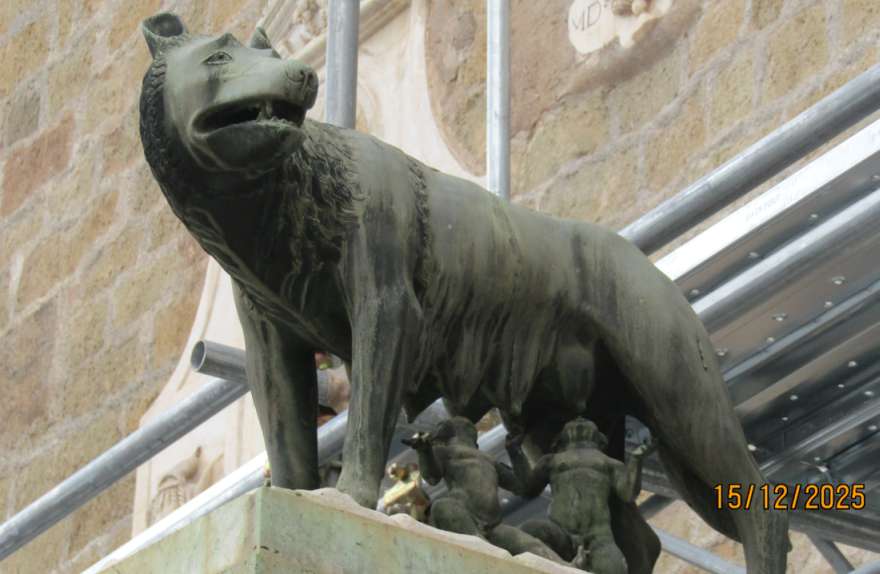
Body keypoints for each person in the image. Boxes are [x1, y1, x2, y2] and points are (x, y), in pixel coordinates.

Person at [403, 417, 563, 563]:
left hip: (493, 526)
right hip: (463, 513)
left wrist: (515, 452)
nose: (471, 429)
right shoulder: (445, 452)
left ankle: (568, 566)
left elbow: (523, 488)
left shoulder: (490, 460)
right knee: (441, 507)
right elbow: (432, 476)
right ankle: (486, 555)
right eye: (465, 427)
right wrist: (425, 451)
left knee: (530, 544)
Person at [506, 418, 655, 574]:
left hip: (598, 538)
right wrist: (515, 453)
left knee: (615, 568)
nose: (580, 422)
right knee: (530, 530)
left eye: (585, 426)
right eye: (574, 426)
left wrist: (636, 460)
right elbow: (528, 489)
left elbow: (628, 493)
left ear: (599, 438)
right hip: (560, 532)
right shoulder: (551, 461)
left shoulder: (609, 463)